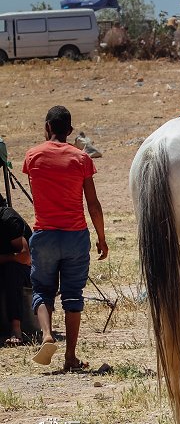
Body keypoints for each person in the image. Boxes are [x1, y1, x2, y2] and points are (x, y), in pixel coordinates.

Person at [23, 106, 109, 370]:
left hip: (45, 235)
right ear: (70, 130)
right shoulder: (82, 159)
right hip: (75, 237)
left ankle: (47, 335)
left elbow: (37, 192)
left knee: (42, 290)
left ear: (47, 126)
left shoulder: (32, 156)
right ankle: (70, 356)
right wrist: (101, 237)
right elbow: (93, 204)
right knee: (73, 296)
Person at [0, 197, 32, 346]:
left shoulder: (8, 219)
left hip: (26, 271)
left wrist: (3, 258)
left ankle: (16, 328)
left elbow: (25, 257)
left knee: (12, 270)